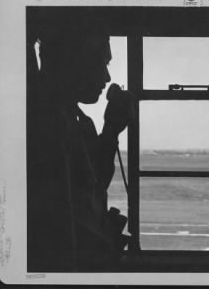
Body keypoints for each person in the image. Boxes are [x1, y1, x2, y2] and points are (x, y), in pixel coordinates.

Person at [27, 26, 134, 272]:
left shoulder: (79, 122)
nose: (107, 78)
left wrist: (110, 131)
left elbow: (91, 186)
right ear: (72, 63)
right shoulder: (50, 123)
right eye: (101, 63)